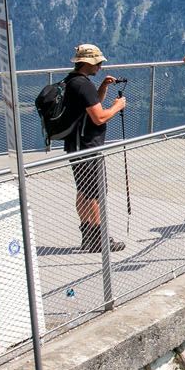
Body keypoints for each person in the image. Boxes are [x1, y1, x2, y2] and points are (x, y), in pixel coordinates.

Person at [62, 44, 127, 253]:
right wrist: (118, 106)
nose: (100, 66)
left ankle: (88, 237)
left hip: (75, 145)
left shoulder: (72, 81)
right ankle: (100, 239)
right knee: (96, 193)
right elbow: (99, 117)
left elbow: (91, 105)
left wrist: (103, 88)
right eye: (98, 63)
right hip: (89, 146)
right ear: (89, 63)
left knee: (83, 191)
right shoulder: (84, 85)